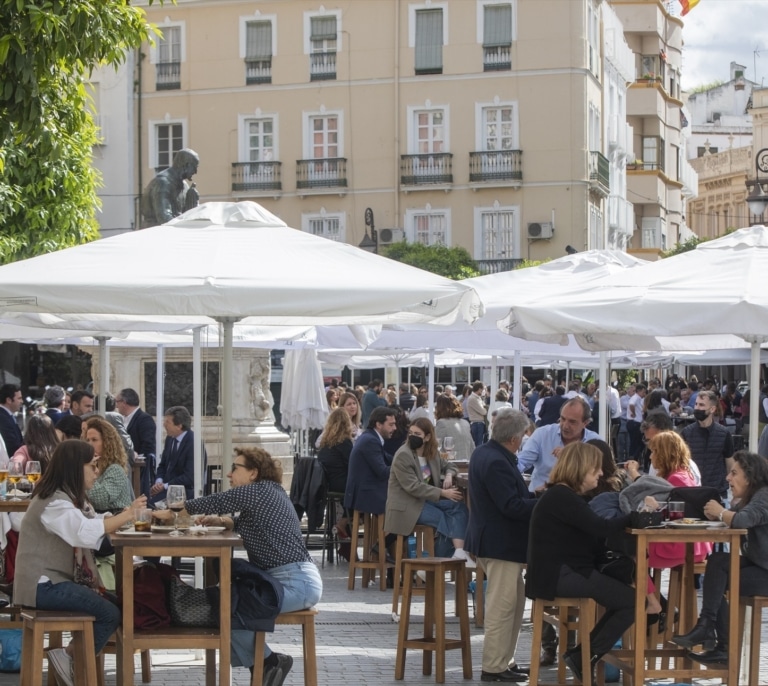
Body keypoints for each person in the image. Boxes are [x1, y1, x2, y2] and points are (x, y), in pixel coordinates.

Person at [160, 447, 322, 686]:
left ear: (254, 473)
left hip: (296, 583)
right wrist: (224, 521)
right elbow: (246, 522)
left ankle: (269, 663)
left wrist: (175, 510)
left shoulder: (257, 491)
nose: (229, 473)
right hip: (290, 579)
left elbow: (218, 500)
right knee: (226, 604)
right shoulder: (268, 492)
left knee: (230, 608)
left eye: (235, 468)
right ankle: (267, 666)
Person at [14, 440, 146, 686]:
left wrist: (125, 516)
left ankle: (70, 659)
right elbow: (84, 531)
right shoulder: (53, 502)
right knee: (110, 612)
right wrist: (128, 514)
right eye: (92, 466)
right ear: (76, 467)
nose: (97, 472)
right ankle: (71, 661)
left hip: (53, 583)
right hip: (41, 586)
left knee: (121, 604)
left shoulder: (69, 499)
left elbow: (93, 519)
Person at [526, 442, 635, 684]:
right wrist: (637, 517)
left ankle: (583, 656)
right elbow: (600, 527)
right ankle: (583, 657)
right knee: (630, 602)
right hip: (560, 576)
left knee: (625, 597)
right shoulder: (562, 497)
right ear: (581, 468)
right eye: (595, 469)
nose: (600, 473)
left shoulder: (561, 495)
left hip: (558, 574)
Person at [671, 451, 768, 666]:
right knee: (718, 562)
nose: (728, 478)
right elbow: (736, 516)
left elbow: (742, 519)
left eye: (734, 473)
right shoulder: (754, 496)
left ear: (750, 476)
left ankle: (714, 638)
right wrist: (721, 514)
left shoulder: (764, 495)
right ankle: (710, 632)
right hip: (759, 565)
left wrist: (723, 512)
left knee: (718, 580)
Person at [465, 409, 536, 682]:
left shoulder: (486, 453)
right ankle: (493, 666)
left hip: (495, 542)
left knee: (515, 605)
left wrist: (533, 496)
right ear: (515, 438)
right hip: (499, 544)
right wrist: (541, 503)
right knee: (502, 608)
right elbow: (510, 506)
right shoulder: (495, 460)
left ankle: (505, 660)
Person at [384, 418, 471, 565]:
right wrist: (443, 493)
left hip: (426, 502)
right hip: (408, 506)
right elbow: (414, 487)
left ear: (427, 437)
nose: (413, 436)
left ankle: (458, 553)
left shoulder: (431, 453)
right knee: (445, 520)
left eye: (417, 434)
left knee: (460, 509)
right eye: (410, 433)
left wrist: (449, 474)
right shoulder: (403, 455)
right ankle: (432, 564)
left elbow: (450, 466)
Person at [627, 432, 711, 570]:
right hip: (695, 545)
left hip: (682, 545)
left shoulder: (675, 479)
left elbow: (673, 517)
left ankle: (649, 592)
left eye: (654, 451)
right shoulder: (683, 474)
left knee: (631, 555)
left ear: (664, 454)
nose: (650, 456)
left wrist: (654, 507)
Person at [518, 397, 600, 492]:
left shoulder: (594, 442)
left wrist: (569, 458)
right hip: (540, 499)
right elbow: (522, 462)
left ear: (585, 423)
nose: (565, 425)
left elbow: (599, 475)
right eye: (563, 419)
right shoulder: (543, 434)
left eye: (572, 422)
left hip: (579, 499)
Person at [344, 406, 397, 518]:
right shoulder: (371, 440)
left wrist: (405, 461)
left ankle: (392, 534)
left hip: (364, 490)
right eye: (391, 425)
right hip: (365, 494)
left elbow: (390, 459)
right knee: (404, 501)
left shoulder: (370, 436)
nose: (395, 428)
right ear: (378, 424)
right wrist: (404, 468)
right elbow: (382, 472)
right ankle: (392, 535)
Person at [681, 390, 733, 498]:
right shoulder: (686, 433)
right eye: (696, 404)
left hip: (717, 491)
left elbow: (729, 463)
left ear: (712, 409)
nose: (697, 408)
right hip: (693, 491)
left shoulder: (724, 434)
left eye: (701, 405)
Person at [150, 406, 202, 503]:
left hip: (185, 493)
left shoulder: (193, 443)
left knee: (151, 507)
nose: (164, 425)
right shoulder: (170, 439)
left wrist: (165, 486)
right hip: (166, 490)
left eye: (167, 422)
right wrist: (159, 482)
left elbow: (190, 476)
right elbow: (163, 465)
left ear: (179, 426)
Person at [83, 417, 133, 512]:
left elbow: (101, 501)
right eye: (88, 440)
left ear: (107, 442)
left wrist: (87, 472)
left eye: (94, 440)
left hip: (118, 523)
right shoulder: (92, 467)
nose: (89, 444)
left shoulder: (115, 469)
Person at [140, 148, 200, 225]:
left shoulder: (184, 186)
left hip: (175, 234)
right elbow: (164, 218)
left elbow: (184, 216)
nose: (195, 172)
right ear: (186, 165)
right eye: (195, 167)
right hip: (155, 233)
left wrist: (193, 205)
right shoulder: (163, 183)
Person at [115, 388, 157, 497]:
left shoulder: (144, 419)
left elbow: (148, 445)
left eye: (117, 402)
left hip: (138, 471)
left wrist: (136, 457)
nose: (116, 406)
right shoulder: (122, 419)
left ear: (124, 402)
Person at [316, 408, 354, 493]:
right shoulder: (344, 442)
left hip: (326, 482)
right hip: (340, 483)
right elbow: (351, 465)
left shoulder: (325, 441)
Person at [434, 394, 474, 460]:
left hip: (451, 464)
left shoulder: (442, 423)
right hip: (466, 463)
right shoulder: (465, 423)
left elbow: (436, 448)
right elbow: (472, 448)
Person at [0, 383, 24, 456]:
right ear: (9, 400)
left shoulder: (8, 415)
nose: (22, 401)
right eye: (19, 398)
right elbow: (12, 445)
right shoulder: (2, 417)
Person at [468, 381, 488, 447]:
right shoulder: (473, 398)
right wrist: (486, 409)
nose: (483, 391)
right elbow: (483, 411)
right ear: (479, 389)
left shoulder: (478, 398)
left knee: (481, 444)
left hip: (480, 423)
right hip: (477, 424)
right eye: (483, 389)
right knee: (478, 445)